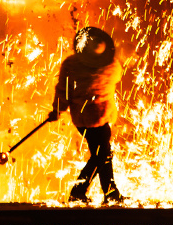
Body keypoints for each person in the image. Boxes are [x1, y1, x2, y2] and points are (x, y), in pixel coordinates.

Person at [48, 26, 124, 203]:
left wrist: (58, 109)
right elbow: (116, 77)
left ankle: (101, 193)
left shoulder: (71, 64)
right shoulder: (111, 65)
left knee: (101, 156)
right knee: (102, 156)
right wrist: (57, 109)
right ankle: (95, 192)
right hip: (97, 117)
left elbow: (63, 91)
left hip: (87, 119)